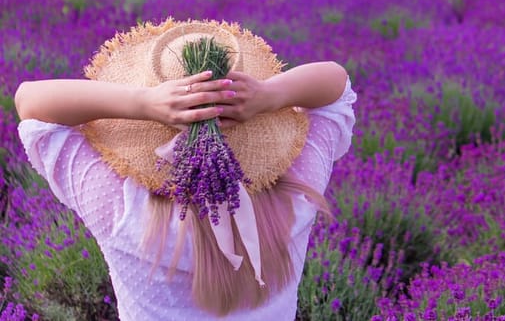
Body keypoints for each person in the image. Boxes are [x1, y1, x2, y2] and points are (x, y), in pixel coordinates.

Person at [13, 18, 356, 320]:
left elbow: (31, 103)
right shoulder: (298, 195)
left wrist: (142, 103)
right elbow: (336, 86)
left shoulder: (122, 209)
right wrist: (269, 94)